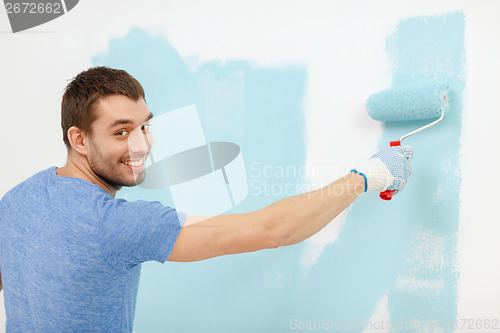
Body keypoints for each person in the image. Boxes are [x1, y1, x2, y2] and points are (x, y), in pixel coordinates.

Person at [0, 66, 414, 332]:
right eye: (121, 132)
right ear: (79, 139)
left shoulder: (16, 200)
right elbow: (272, 230)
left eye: (145, 126)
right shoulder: (118, 225)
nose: (141, 146)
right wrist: (370, 175)